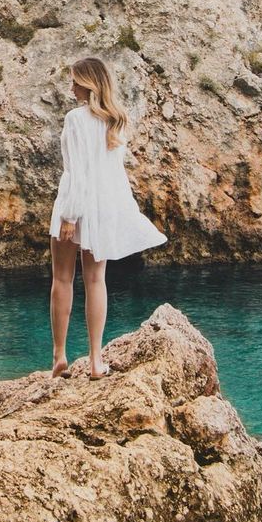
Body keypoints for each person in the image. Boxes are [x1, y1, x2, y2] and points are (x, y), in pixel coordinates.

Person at [48, 56, 168, 380]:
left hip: (75, 206)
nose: (71, 87)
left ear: (88, 84)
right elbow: (115, 175)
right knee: (95, 281)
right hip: (102, 209)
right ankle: (96, 361)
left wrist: (70, 215)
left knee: (61, 279)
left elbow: (76, 173)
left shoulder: (75, 119)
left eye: (75, 81)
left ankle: (59, 356)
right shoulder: (117, 120)